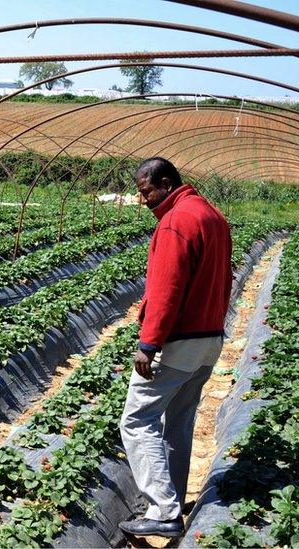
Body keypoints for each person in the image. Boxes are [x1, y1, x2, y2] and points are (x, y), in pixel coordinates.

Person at [119, 157, 232, 538]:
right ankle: (173, 500)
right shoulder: (212, 216)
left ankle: (164, 510)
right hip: (209, 338)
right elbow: (224, 281)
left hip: (180, 341)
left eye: (146, 191)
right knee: (179, 422)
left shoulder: (176, 222)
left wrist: (148, 344)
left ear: (166, 183)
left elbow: (166, 290)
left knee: (137, 421)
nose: (144, 200)